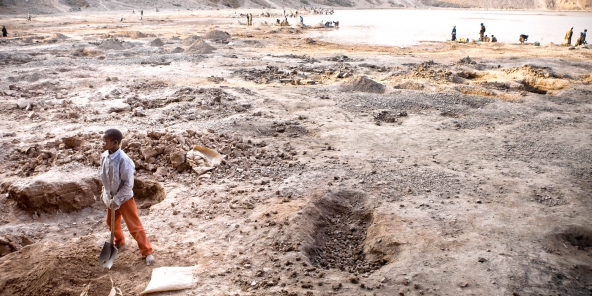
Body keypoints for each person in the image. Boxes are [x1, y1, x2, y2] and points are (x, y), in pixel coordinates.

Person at [100, 129, 155, 266]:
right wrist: (105, 193)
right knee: (111, 222)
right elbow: (104, 177)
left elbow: (128, 184)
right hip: (110, 197)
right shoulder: (104, 156)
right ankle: (118, 241)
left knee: (134, 226)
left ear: (115, 142)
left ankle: (147, 251)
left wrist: (117, 199)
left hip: (124, 199)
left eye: (104, 141)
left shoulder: (124, 160)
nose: (102, 144)